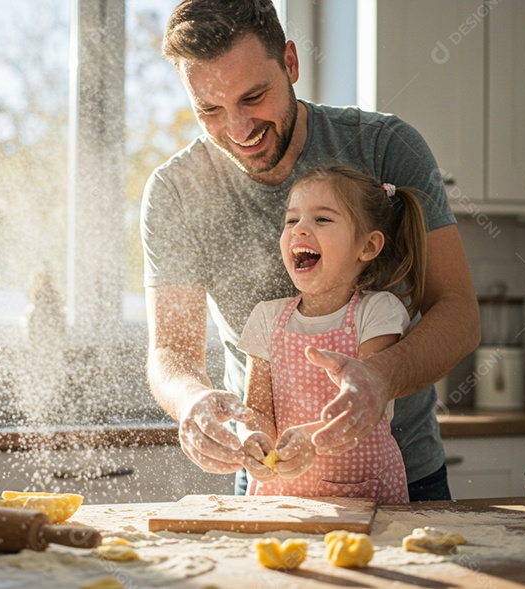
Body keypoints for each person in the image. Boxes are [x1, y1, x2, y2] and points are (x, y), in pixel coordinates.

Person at [142, 0, 480, 501]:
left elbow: (458, 315)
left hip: (404, 478)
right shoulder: (176, 191)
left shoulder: (384, 147)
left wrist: (380, 378)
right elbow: (171, 351)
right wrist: (191, 401)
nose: (238, 130)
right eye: (209, 110)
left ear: (291, 64)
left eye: (254, 96)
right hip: (266, 476)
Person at [236, 165, 429, 503]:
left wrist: (313, 441)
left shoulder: (378, 312)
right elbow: (258, 411)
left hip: (367, 497)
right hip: (283, 499)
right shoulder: (265, 317)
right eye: (291, 220)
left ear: (367, 246)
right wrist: (254, 439)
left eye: (322, 220)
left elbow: (365, 405)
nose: (300, 230)